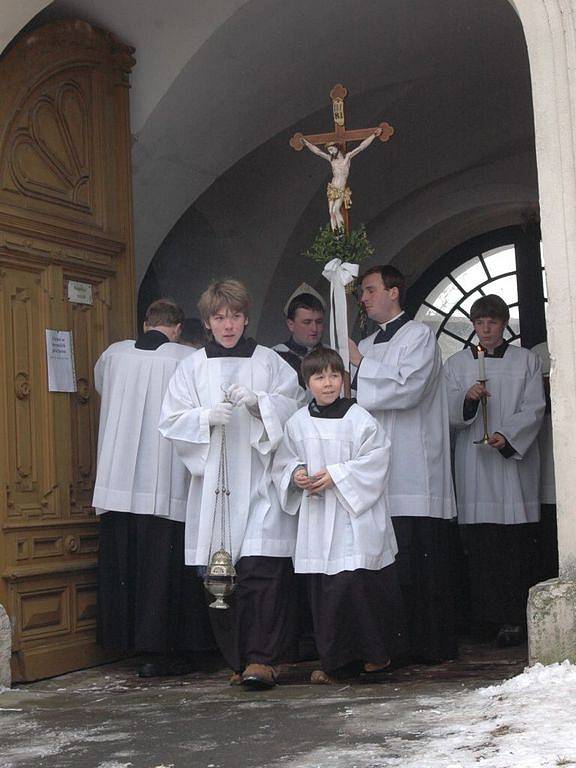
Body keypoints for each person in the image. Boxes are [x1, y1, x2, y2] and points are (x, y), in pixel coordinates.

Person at [159, 279, 304, 689]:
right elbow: (170, 419)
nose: (228, 325)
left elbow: (293, 406)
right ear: (207, 321)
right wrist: (204, 418)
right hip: (216, 489)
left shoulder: (268, 362)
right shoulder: (192, 367)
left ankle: (263, 659)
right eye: (220, 317)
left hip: (259, 482)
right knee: (221, 577)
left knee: (262, 571)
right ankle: (238, 658)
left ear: (245, 317)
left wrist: (260, 403)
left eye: (236, 316)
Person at [93, 299, 214, 677]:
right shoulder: (186, 358)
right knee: (160, 569)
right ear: (177, 328)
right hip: (163, 480)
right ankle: (159, 649)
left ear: (146, 322)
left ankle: (124, 644)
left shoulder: (113, 354)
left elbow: (101, 387)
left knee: (124, 563)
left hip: (117, 479)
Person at [273, 347, 406, 683]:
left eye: (334, 375)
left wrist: (337, 476)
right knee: (326, 592)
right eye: (319, 377)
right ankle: (334, 663)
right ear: (308, 382)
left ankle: (375, 657)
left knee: (356, 586)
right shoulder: (297, 422)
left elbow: (377, 459)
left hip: (353, 518)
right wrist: (296, 474)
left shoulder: (359, 418)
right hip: (319, 517)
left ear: (344, 380)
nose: (328, 383)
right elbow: (283, 461)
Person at [348, 265, 458, 664]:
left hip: (414, 465)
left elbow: (408, 389)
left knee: (419, 559)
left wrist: (360, 365)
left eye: (371, 290)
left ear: (394, 292)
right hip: (378, 467)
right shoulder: (365, 342)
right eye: (362, 291)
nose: (364, 297)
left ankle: (429, 646)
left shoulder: (420, 336)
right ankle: (391, 645)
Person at [444, 295, 545, 645]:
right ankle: (484, 619)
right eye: (479, 322)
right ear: (473, 325)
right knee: (481, 547)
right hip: (474, 465)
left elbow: (534, 407)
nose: (485, 329)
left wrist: (507, 435)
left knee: (512, 547)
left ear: (504, 324)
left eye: (493, 322)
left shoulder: (525, 360)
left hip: (511, 466)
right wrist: (468, 400)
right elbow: (446, 410)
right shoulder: (456, 364)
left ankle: (513, 618)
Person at [302, 128, 382, 230]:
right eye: (329, 150)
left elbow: (361, 147)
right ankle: (335, 235)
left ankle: (341, 233)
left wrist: (373, 135)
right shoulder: (331, 160)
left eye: (331, 149)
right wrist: (307, 143)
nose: (330, 152)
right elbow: (318, 152)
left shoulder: (347, 157)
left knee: (336, 209)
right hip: (333, 187)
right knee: (330, 211)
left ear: (337, 148)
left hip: (341, 188)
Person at [273, 291, 325, 388]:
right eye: (307, 322)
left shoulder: (333, 354)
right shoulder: (274, 357)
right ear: (291, 324)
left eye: (319, 322)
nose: (314, 328)